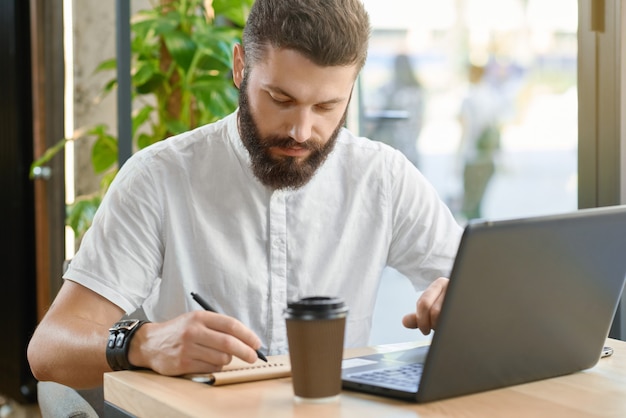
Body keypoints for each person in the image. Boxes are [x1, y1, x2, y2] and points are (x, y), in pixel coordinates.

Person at [28, 0, 463, 389]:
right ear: (240, 67)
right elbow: (48, 350)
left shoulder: (382, 176)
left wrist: (462, 303)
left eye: (327, 106)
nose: (301, 131)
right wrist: (142, 343)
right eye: (280, 98)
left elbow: (491, 297)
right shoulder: (158, 177)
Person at [457, 63, 503, 220]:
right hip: (488, 158)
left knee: (469, 206)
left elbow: (465, 130)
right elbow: (498, 126)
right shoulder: (492, 96)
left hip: (473, 157)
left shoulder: (469, 99)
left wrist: (457, 157)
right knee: (478, 205)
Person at [366, 53, 424, 167]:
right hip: (412, 150)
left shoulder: (388, 89)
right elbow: (420, 121)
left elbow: (375, 114)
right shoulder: (417, 91)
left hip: (393, 150)